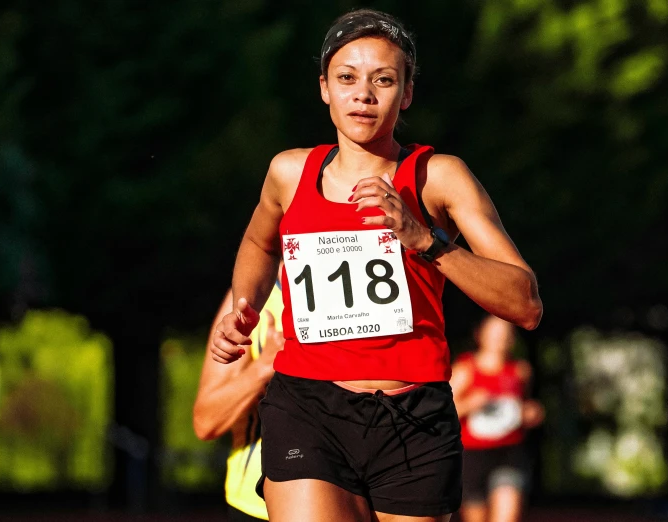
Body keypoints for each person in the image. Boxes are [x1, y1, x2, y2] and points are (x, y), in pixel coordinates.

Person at [211, 8, 543, 522]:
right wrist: (244, 305)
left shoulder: (439, 177)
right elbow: (259, 244)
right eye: (346, 78)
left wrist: (425, 240)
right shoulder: (287, 172)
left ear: (406, 93)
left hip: (414, 418)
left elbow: (524, 302)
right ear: (324, 88)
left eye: (383, 80)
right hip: (307, 406)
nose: (363, 94)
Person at [193, 275, 284, 522]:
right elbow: (206, 421)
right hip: (256, 504)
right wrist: (265, 366)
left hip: (353, 495)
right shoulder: (252, 297)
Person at [450, 316, 545, 522]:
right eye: (495, 333)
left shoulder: (521, 371)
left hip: (509, 453)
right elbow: (442, 413)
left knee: (508, 515)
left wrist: (530, 413)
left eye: (506, 334)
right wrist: (469, 404)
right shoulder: (465, 369)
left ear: (513, 339)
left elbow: (524, 408)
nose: (500, 339)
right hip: (471, 456)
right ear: (480, 336)